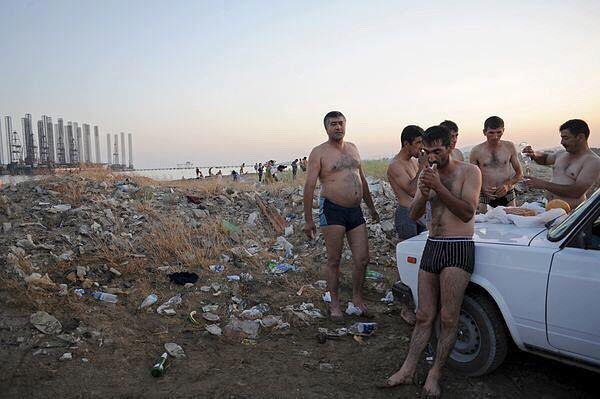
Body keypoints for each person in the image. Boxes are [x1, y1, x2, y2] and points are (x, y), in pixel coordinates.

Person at [383, 125, 481, 397]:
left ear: (451, 146)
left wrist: (438, 186)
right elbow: (413, 214)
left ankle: (435, 375)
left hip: (458, 246)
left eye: (437, 151)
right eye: (427, 152)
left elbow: (466, 212)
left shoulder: (469, 172)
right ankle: (407, 369)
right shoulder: (427, 173)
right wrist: (425, 193)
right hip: (433, 244)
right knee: (424, 315)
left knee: (449, 317)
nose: (432, 157)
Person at [303, 111, 379, 318]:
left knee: (362, 259)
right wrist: (308, 219)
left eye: (341, 123)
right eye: (333, 124)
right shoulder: (319, 152)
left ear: (346, 125)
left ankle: (357, 300)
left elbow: (361, 180)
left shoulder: (353, 148)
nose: (338, 127)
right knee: (334, 260)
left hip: (355, 211)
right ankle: (335, 304)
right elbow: (309, 186)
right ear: (326, 128)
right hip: (332, 209)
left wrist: (371, 207)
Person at [387, 125, 427, 325]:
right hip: (406, 215)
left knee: (423, 261)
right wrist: (422, 167)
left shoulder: (412, 161)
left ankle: (420, 302)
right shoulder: (396, 165)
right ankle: (405, 308)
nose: (421, 147)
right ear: (406, 143)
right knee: (406, 263)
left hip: (420, 214)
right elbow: (412, 189)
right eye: (418, 143)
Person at [523, 119, 600, 208]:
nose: (562, 142)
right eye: (562, 137)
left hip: (569, 214)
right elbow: (545, 159)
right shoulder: (562, 154)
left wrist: (543, 184)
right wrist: (534, 154)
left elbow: (577, 192)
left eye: (566, 138)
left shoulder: (593, 161)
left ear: (580, 137)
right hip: (548, 207)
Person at [469, 116, 523, 212]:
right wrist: (482, 188)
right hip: (486, 194)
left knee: (511, 220)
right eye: (491, 133)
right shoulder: (476, 151)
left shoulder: (509, 147)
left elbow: (519, 173)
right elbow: (472, 177)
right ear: (484, 132)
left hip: (507, 193)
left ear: (503, 130)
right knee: (486, 223)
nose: (495, 136)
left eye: (499, 132)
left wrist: (507, 185)